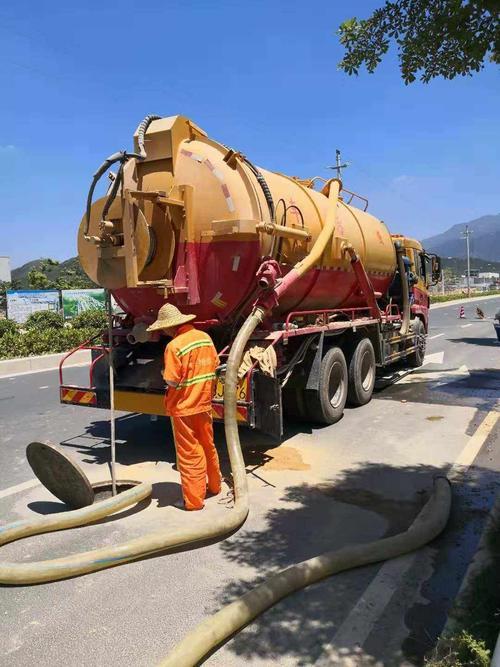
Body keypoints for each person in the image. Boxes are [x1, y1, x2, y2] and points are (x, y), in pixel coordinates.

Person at [147, 304, 221, 510]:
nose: (162, 332)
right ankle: (215, 486)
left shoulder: (174, 346)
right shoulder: (205, 338)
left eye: (163, 329)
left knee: (189, 453)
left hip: (183, 407)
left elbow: (171, 381)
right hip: (204, 403)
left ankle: (194, 500)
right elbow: (214, 365)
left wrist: (163, 373)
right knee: (208, 445)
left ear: (171, 327)